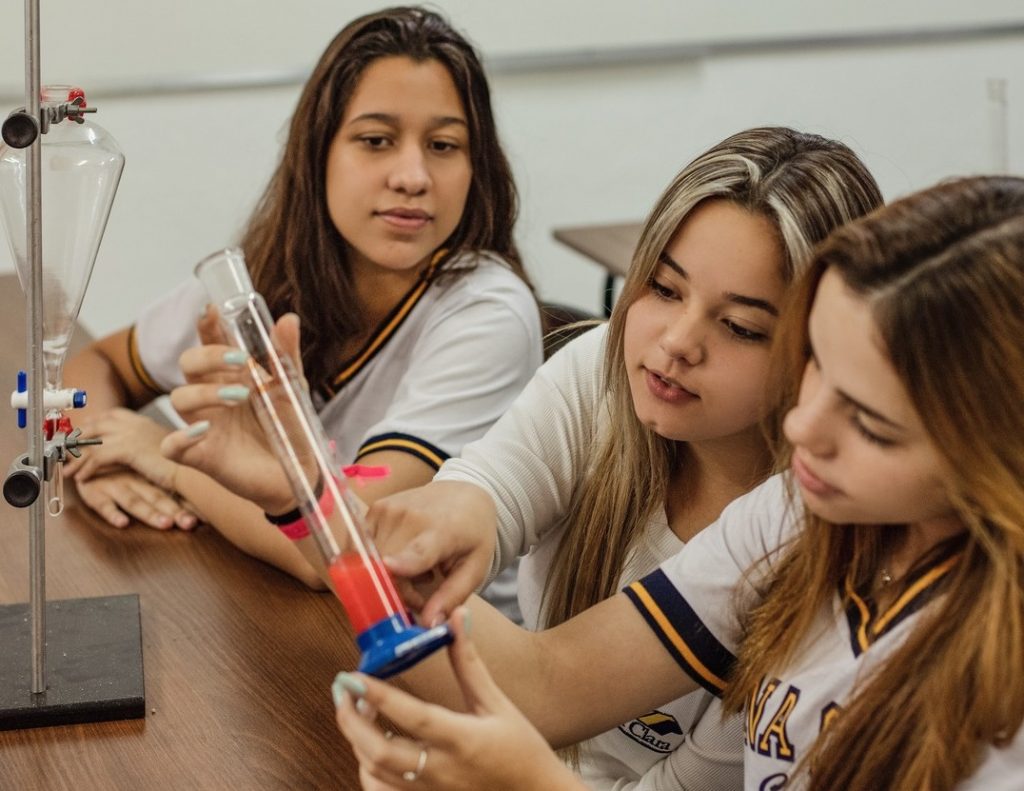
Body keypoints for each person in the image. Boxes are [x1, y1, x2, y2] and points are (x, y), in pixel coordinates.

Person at [161, 126, 882, 790]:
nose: (676, 342)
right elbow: (468, 508)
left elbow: (541, 689)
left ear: (821, 355)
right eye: (662, 288)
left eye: (740, 327)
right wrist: (311, 495)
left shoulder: (798, 529)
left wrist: (313, 495)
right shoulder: (603, 370)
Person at [331, 175, 1024, 791]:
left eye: (870, 421)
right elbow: (554, 682)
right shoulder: (792, 512)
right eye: (813, 367)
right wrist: (314, 504)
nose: (803, 426)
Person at [62, 7, 541, 591]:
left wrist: (165, 457)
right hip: (273, 612)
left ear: (476, 166)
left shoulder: (488, 312)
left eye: (443, 145)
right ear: (317, 154)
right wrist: (93, 455)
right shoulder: (262, 278)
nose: (413, 175)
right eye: (376, 140)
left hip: (446, 645)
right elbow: (95, 367)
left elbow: (345, 542)